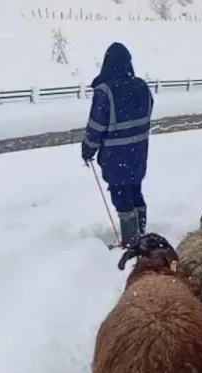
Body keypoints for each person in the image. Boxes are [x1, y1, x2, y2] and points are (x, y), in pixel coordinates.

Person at [81, 42, 154, 248]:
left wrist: (88, 150)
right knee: (136, 191)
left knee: (121, 197)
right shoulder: (141, 86)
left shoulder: (105, 90)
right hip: (139, 153)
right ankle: (141, 234)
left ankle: (132, 243)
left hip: (116, 156)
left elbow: (96, 126)